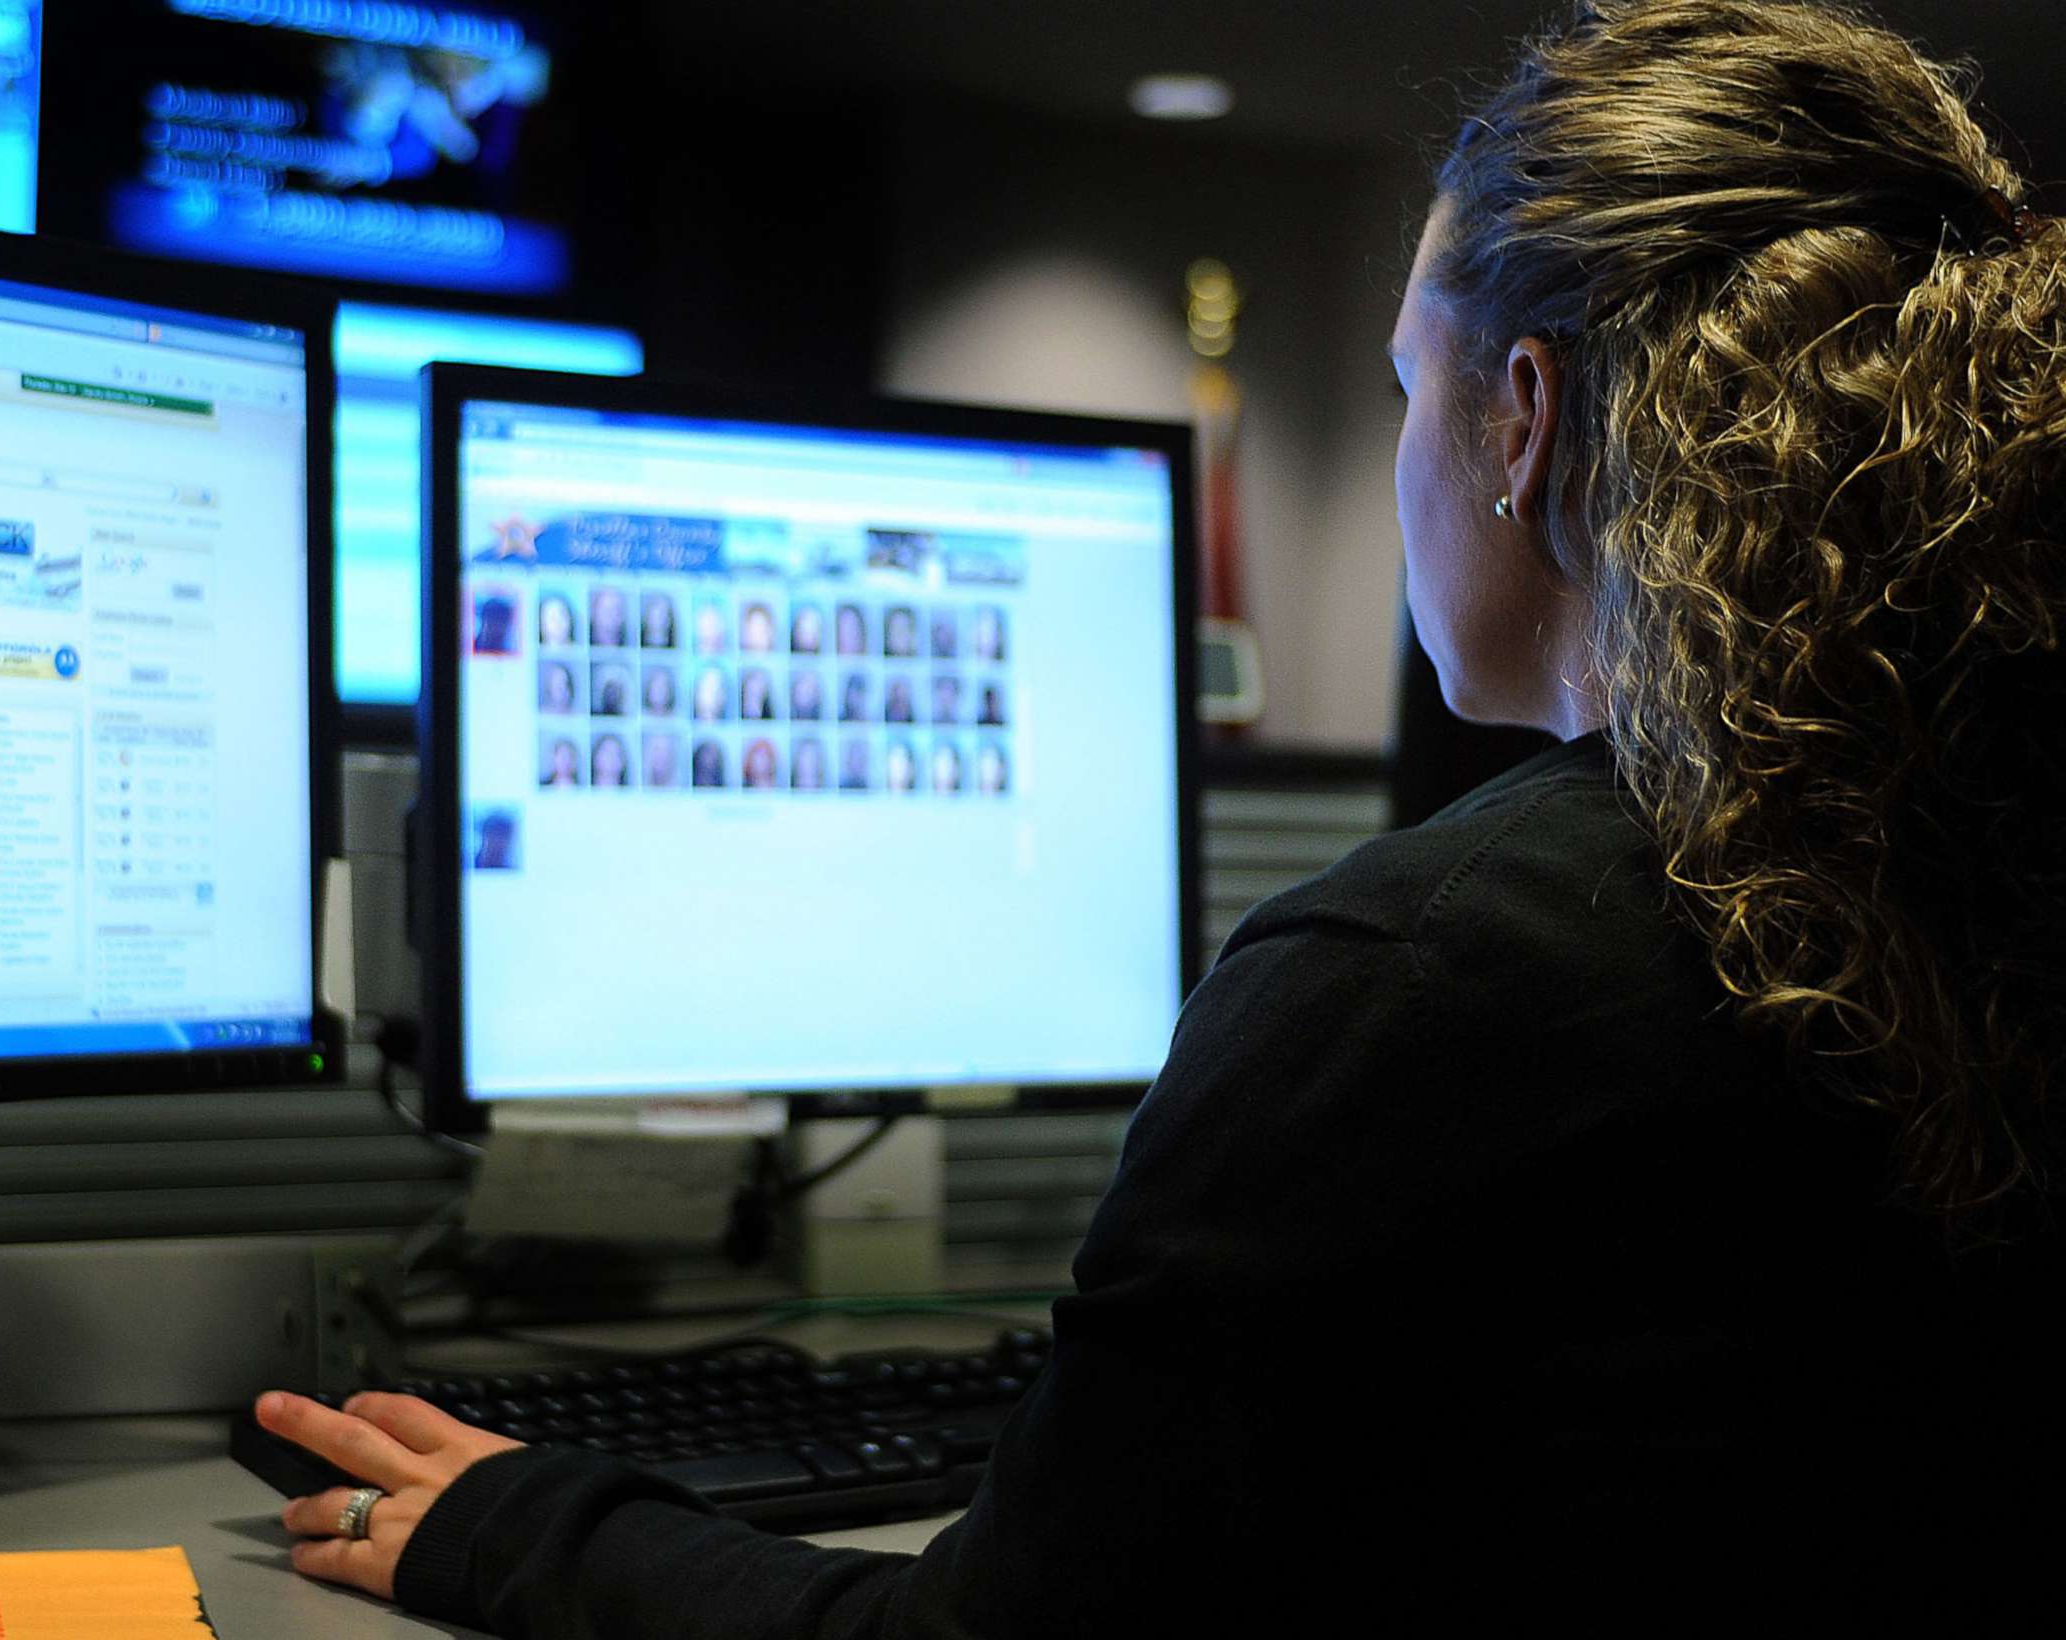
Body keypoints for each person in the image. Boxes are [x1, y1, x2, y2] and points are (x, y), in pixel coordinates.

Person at [255, 2, 2066, 1622]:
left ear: (1519, 421)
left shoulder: (1425, 972)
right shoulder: (1975, 864)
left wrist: (524, 1525)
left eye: (1394, 389)